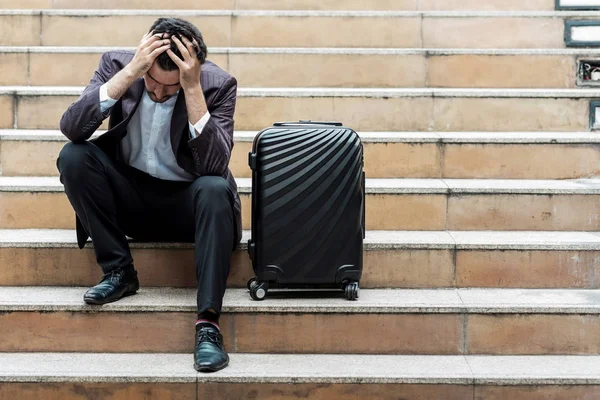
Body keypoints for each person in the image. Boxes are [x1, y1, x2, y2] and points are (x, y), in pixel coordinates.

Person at [56, 17, 241, 373]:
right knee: (75, 157)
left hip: (190, 206)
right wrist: (131, 73)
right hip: (132, 199)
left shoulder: (217, 85)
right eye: (153, 82)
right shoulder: (119, 65)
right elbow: (72, 128)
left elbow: (216, 166)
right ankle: (119, 272)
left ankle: (208, 324)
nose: (158, 93)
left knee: (216, 188)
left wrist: (190, 90)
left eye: (169, 88)